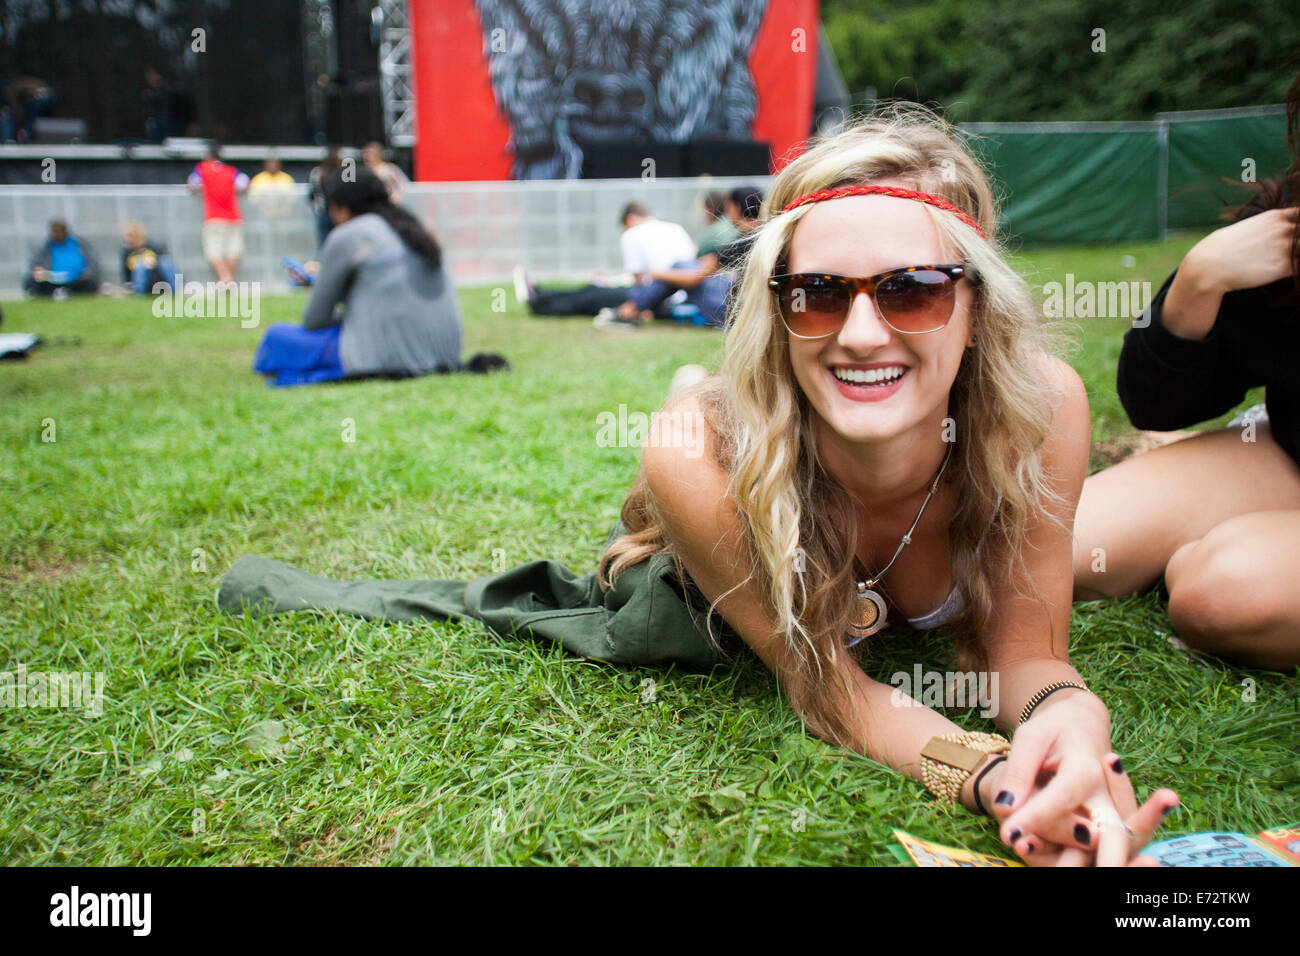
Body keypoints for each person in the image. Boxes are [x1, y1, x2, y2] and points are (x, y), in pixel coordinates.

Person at [223, 107, 1177, 865]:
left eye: (912, 289)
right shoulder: (696, 455)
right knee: (689, 425)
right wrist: (998, 779)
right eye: (817, 293)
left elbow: (1024, 652)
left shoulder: (1039, 408)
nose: (860, 333)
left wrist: (1076, 729)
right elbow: (834, 693)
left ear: (976, 303)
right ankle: (699, 392)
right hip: (721, 470)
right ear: (776, 304)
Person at [1072, 73, 1300, 670]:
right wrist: (1199, 282)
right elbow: (1154, 404)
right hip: (1286, 451)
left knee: (1222, 593)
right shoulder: (1286, 231)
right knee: (1049, 545)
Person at [252, 168, 462, 387]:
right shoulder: (413, 230)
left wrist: (321, 284)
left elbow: (315, 321)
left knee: (277, 337)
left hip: (385, 358)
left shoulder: (348, 235)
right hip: (445, 355)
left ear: (340, 209)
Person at [601, 185, 763, 329]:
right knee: (682, 266)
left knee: (678, 268)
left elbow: (693, 279)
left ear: (735, 207)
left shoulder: (742, 242)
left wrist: (658, 273)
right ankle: (630, 309)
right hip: (752, 310)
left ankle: (628, 311)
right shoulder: (764, 235)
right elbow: (708, 262)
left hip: (731, 314)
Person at [516, 202, 698, 319]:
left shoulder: (633, 234)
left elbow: (640, 280)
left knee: (592, 295)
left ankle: (539, 302)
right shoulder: (676, 228)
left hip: (656, 299)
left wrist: (614, 283)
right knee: (595, 291)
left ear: (630, 219)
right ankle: (539, 294)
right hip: (680, 297)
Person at [187, 142, 249, 287]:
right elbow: (245, 184)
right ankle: (228, 282)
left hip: (214, 217)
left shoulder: (202, 169)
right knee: (233, 250)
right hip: (234, 216)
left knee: (213, 251)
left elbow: (191, 184)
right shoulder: (231, 171)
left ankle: (225, 279)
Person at [24, 220, 99, 298]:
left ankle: (65, 292)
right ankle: (58, 292)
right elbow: (35, 263)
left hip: (76, 280)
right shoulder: (45, 246)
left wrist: (84, 275)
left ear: (65, 231)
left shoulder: (79, 244)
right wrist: (39, 272)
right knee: (31, 282)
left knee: (90, 285)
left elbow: (92, 263)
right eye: (55, 232)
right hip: (52, 280)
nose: (58, 234)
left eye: (60, 231)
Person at [120, 222, 177, 294]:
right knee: (140, 264)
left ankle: (176, 289)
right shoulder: (126, 252)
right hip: (138, 282)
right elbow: (125, 274)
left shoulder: (152, 246)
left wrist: (153, 262)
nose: (128, 239)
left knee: (165, 260)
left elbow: (163, 258)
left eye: (130, 236)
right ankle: (139, 293)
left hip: (156, 278)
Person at [307, 147, 344, 248]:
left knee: (324, 243)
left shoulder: (317, 172)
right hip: (338, 212)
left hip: (322, 212)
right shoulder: (341, 173)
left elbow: (311, 195)